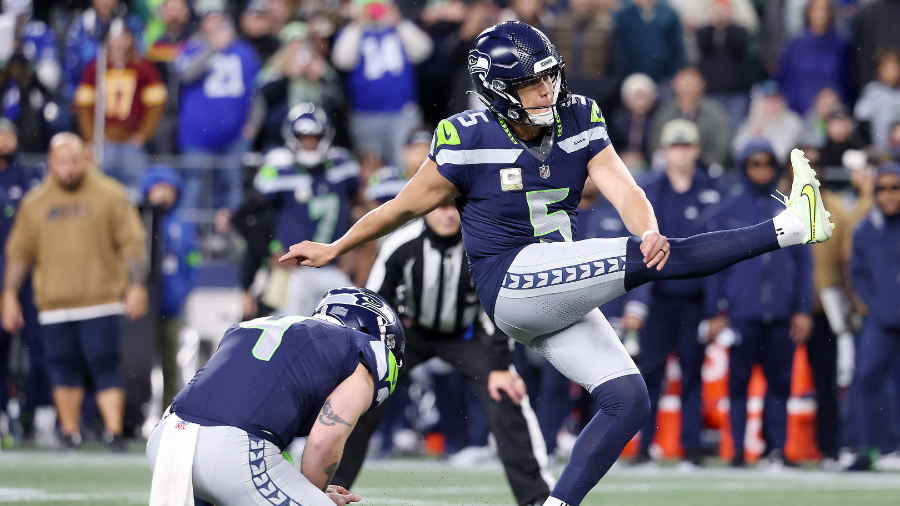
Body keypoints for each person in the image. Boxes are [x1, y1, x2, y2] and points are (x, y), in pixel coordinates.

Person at [279, 22, 833, 506]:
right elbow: (400, 208)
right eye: (530, 83)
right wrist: (334, 249)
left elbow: (621, 184)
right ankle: (790, 226)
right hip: (512, 283)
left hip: (560, 285)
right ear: (498, 91)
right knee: (652, 262)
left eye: (549, 76)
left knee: (629, 400)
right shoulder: (466, 138)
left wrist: (646, 226)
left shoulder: (578, 116)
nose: (547, 89)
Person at [332, 203, 553, 506]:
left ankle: (538, 499)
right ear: (424, 209)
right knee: (361, 397)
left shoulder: (482, 243)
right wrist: (370, 366)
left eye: (454, 208)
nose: (448, 215)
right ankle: (329, 489)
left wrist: (500, 365)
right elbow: (374, 307)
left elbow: (501, 303)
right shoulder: (401, 244)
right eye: (440, 207)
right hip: (408, 335)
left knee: (506, 395)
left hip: (466, 335)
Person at [147, 287, 405, 506]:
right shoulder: (367, 351)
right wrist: (314, 496)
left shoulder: (257, 324)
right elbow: (324, 441)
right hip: (230, 450)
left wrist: (302, 491)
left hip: (168, 438)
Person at [2, 132, 148, 451]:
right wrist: (9, 294)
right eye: (62, 162)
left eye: (74, 161)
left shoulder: (109, 194)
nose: (68, 169)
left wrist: (136, 284)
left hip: (101, 299)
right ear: (50, 163)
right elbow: (19, 253)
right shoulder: (36, 202)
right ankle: (69, 432)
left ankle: (113, 432)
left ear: (86, 159)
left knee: (105, 364)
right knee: (61, 366)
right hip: (54, 302)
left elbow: (132, 242)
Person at [702, 139, 813, 468]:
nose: (762, 171)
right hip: (740, 315)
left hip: (780, 313)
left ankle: (776, 448)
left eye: (768, 164)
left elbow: (804, 265)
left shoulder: (791, 208)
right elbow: (713, 266)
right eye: (755, 164)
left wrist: (803, 310)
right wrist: (714, 313)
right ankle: (736, 449)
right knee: (738, 383)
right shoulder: (727, 211)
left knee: (780, 381)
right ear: (744, 167)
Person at [634, 119, 720, 469]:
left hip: (695, 299)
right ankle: (644, 446)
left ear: (696, 150)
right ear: (664, 151)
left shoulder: (711, 191)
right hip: (659, 298)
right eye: (675, 146)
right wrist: (636, 303)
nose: (681, 153)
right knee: (649, 373)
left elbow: (718, 253)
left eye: (686, 146)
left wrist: (716, 309)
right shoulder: (650, 191)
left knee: (692, 375)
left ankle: (691, 446)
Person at [251, 104, 367, 316]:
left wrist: (354, 248)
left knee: (345, 328)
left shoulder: (342, 166)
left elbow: (360, 208)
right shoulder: (278, 171)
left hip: (335, 266)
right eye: (303, 137)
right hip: (295, 269)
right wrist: (272, 248)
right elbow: (252, 217)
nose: (310, 143)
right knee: (293, 329)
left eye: (315, 136)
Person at [176, 0, 261, 210]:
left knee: (232, 189)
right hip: (198, 137)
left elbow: (256, 90)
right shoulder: (191, 48)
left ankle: (231, 240)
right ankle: (189, 241)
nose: (214, 22)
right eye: (209, 18)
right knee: (195, 189)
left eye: (218, 17)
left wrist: (254, 124)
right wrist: (212, 48)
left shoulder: (244, 51)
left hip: (235, 137)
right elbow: (186, 74)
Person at [0, 119, 52, 446]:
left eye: (7, 135)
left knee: (43, 349)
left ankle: (38, 412)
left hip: (32, 278)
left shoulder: (31, 179)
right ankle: (3, 413)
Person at [74, 20, 168, 198]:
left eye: (123, 37)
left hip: (131, 143)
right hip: (103, 143)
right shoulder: (96, 67)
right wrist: (91, 135)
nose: (119, 43)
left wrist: (143, 134)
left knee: (133, 192)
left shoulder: (144, 68)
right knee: (99, 192)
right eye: (114, 38)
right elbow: (83, 106)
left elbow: (156, 105)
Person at [331, 0, 432, 166]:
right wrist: (357, 23)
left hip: (402, 112)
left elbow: (423, 51)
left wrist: (399, 21)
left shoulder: (399, 27)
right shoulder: (354, 31)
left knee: (406, 166)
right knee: (372, 169)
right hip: (366, 114)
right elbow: (342, 60)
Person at [848, 163, 900, 471]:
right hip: (882, 321)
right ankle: (865, 450)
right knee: (866, 380)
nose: (889, 195)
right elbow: (858, 273)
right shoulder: (866, 229)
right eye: (882, 188)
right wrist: (873, 306)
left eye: (895, 187)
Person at [140, 165, 199, 410]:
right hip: (142, 307)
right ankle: (136, 413)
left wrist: (183, 291)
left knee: (171, 362)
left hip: (171, 306)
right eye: (158, 188)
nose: (164, 194)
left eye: (169, 188)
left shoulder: (184, 225)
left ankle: (170, 412)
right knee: (139, 361)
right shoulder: (139, 220)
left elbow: (193, 262)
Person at [775, 0, 850, 116]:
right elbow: (784, 77)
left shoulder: (841, 44)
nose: (820, 14)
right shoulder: (796, 43)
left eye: (824, 9)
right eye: (816, 9)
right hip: (799, 114)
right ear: (808, 12)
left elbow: (846, 81)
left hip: (832, 118)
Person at [650, 67, 731, 168]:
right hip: (671, 168)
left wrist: (700, 166)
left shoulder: (714, 112)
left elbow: (721, 146)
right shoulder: (665, 112)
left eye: (693, 82)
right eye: (685, 82)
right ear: (674, 85)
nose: (688, 87)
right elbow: (656, 143)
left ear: (702, 84)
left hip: (706, 168)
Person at [64, 0, 144, 102]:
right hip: (86, 95)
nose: (105, 2)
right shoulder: (79, 27)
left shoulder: (131, 25)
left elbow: (140, 63)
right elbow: (70, 70)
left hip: (122, 97)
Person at [696, 0, 750, 134]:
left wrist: (727, 24)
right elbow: (703, 45)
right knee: (713, 129)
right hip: (711, 90)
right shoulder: (705, 31)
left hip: (735, 92)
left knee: (734, 130)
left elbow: (738, 46)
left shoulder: (739, 30)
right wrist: (713, 25)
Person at [613, 0, 685, 84]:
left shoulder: (669, 14)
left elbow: (677, 48)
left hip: (663, 77)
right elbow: (618, 50)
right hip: (631, 78)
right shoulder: (622, 16)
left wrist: (672, 74)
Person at [732, 81, 803, 164]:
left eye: (775, 99)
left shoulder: (792, 121)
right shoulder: (750, 122)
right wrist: (756, 135)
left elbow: (782, 153)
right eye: (768, 100)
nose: (773, 105)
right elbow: (737, 149)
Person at [854, 48, 900, 156]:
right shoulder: (872, 92)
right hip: (878, 151)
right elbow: (862, 122)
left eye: (895, 68)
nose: (892, 73)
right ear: (879, 70)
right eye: (888, 69)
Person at [607, 73, 657, 171]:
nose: (640, 102)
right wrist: (622, 156)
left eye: (643, 97)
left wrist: (644, 158)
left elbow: (656, 145)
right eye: (636, 97)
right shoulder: (617, 120)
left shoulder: (657, 119)